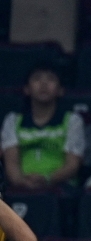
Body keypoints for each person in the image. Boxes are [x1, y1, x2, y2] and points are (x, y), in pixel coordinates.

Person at [1, 61, 85, 190]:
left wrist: (47, 178)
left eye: (51, 79)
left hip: (61, 188)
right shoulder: (12, 121)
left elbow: (72, 165)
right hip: (20, 187)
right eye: (37, 78)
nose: (43, 84)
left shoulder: (73, 121)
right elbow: (11, 162)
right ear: (27, 89)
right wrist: (21, 182)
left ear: (61, 90)